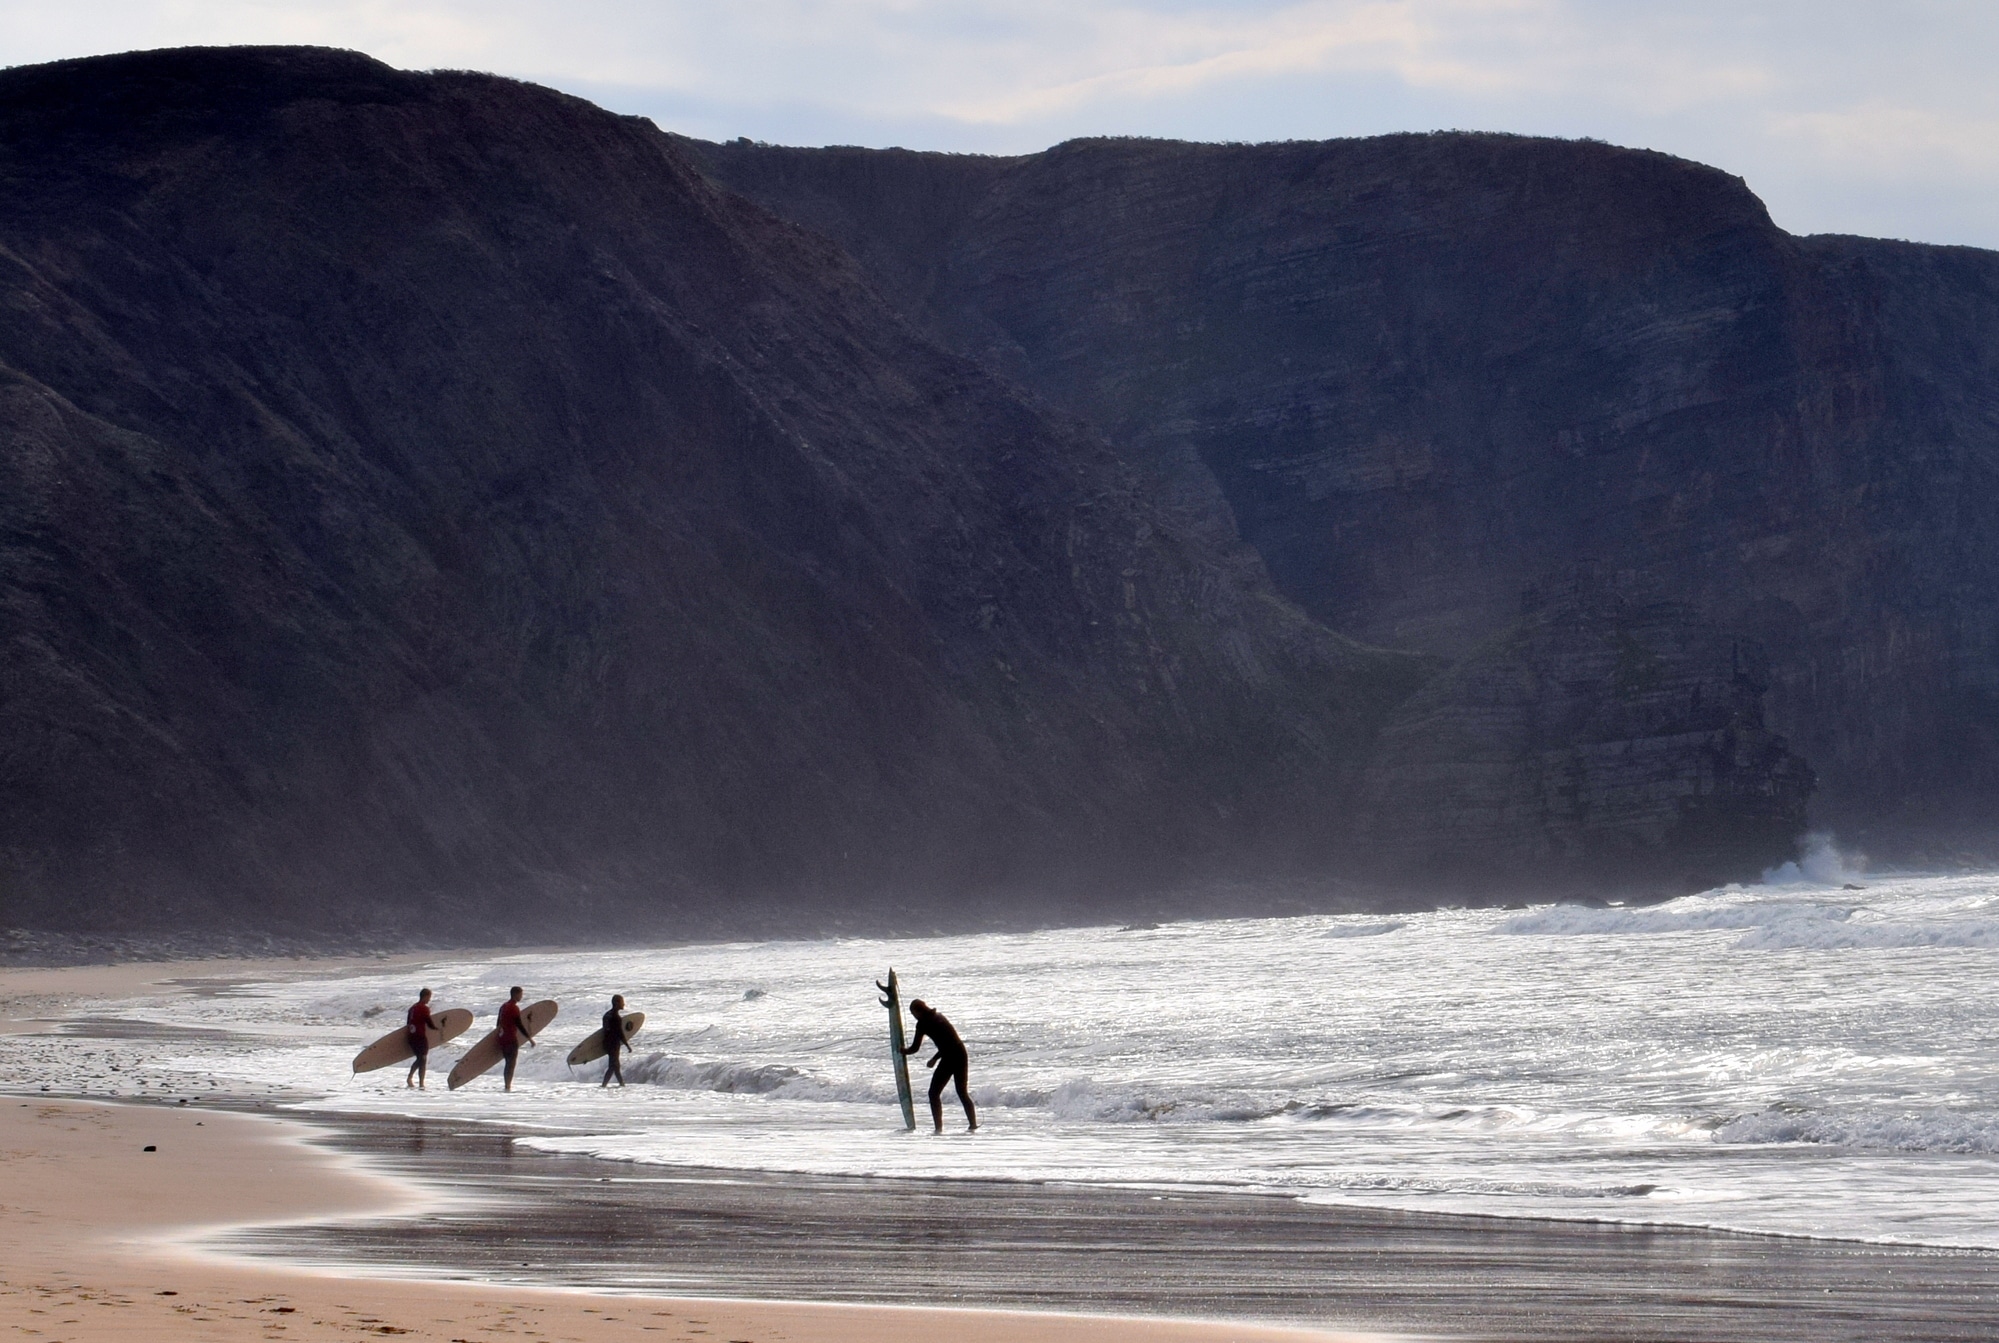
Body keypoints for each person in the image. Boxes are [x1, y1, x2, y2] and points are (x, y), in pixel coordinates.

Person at [903, 998, 977, 1134]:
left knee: (933, 1093)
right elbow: (951, 1042)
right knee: (962, 1092)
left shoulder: (922, 1024)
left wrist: (902, 1050)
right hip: (960, 1053)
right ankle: (973, 1125)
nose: (914, 1017)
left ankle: (938, 1128)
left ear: (918, 1012)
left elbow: (914, 1048)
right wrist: (935, 1059)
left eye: (913, 1014)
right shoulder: (938, 1016)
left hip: (950, 1057)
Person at [497, 985, 538, 1091]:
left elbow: (498, 1024)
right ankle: (508, 1086)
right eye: (520, 994)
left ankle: (507, 1085)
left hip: (502, 1039)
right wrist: (530, 1039)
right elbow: (519, 1024)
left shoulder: (503, 1006)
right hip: (511, 1039)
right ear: (515, 994)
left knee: (507, 1063)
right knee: (511, 1063)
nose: (521, 996)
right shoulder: (514, 1008)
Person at [404, 988, 436, 1089]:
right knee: (422, 1059)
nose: (429, 1000)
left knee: (421, 1059)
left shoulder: (412, 1008)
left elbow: (408, 1024)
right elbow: (429, 1023)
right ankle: (415, 1080)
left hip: (411, 1037)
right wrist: (438, 1029)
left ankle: (418, 1081)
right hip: (420, 1036)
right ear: (425, 996)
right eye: (429, 997)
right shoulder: (424, 1008)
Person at [601, 994, 629, 1088]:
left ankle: (622, 1084)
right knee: (613, 1066)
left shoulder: (606, 1015)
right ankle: (603, 1085)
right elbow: (620, 1033)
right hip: (614, 1044)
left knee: (615, 1066)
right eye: (622, 1001)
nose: (623, 1004)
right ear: (617, 1003)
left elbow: (604, 1031)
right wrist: (627, 1045)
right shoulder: (616, 1018)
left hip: (606, 1043)